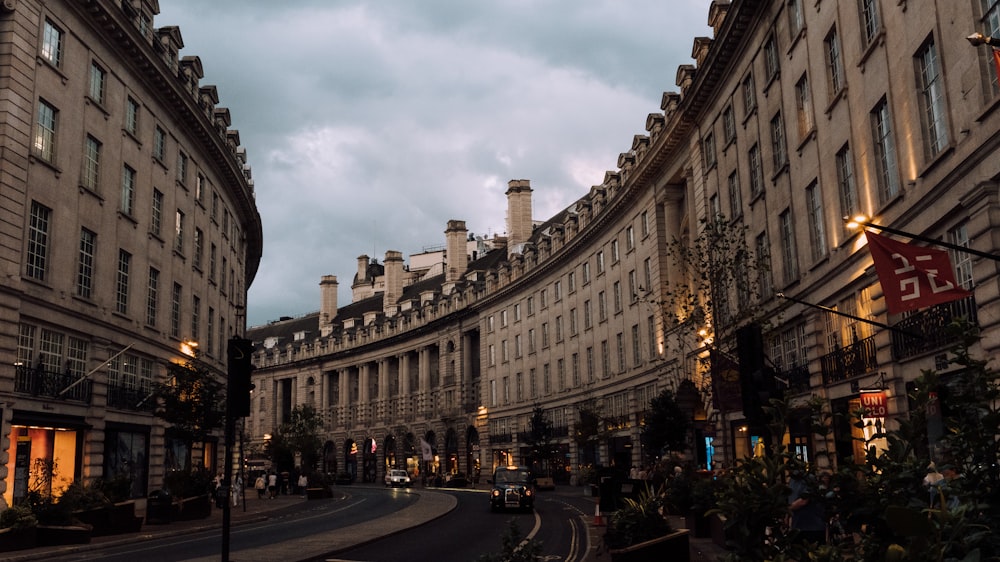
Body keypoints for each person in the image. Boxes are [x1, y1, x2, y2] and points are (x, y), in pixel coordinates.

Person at [788, 470, 826, 545]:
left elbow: (803, 501)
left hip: (812, 527)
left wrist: (786, 509)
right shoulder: (792, 480)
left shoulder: (808, 478)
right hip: (798, 525)